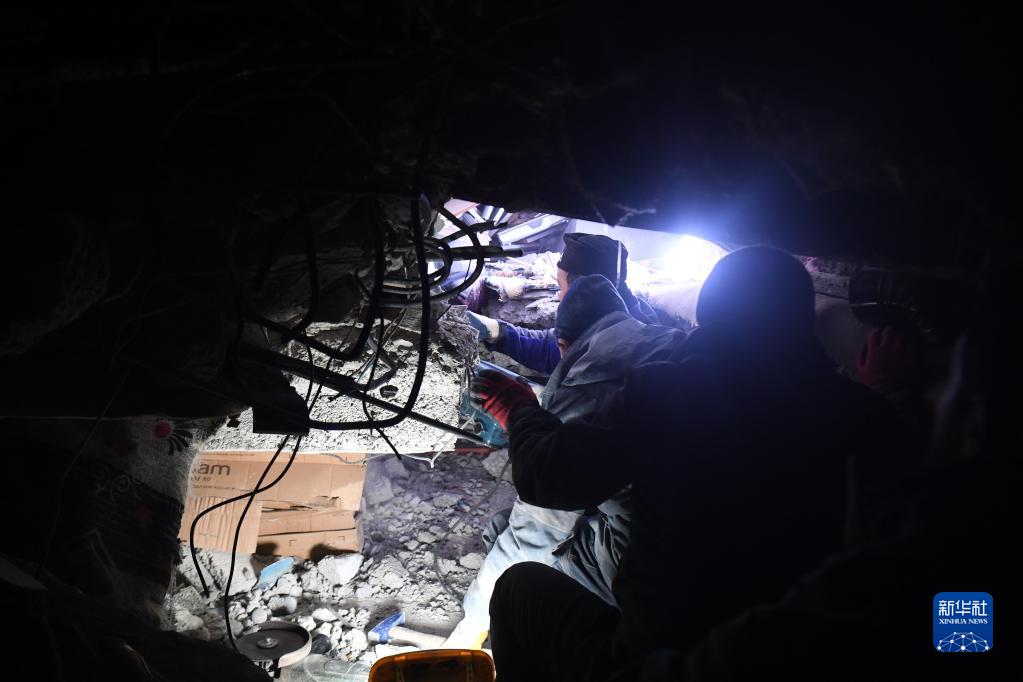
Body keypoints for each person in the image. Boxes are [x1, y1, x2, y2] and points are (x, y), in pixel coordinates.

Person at [474, 247, 898, 681]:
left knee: (516, 591)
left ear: (708, 315)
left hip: (660, 657)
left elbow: (549, 479)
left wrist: (520, 410)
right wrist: (879, 391)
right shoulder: (862, 415)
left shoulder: (672, 391)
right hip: (786, 653)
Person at [445, 275, 686, 649]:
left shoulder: (588, 393)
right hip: (715, 531)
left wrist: (473, 622)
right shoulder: (659, 341)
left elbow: (538, 529)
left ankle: (579, 647)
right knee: (502, 526)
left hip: (662, 575)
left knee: (520, 582)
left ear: (564, 344)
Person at [467, 233, 658, 374]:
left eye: (561, 286)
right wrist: (495, 330)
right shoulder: (613, 314)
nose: (559, 296)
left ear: (583, 287)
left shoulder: (620, 348)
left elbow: (552, 354)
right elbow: (548, 345)